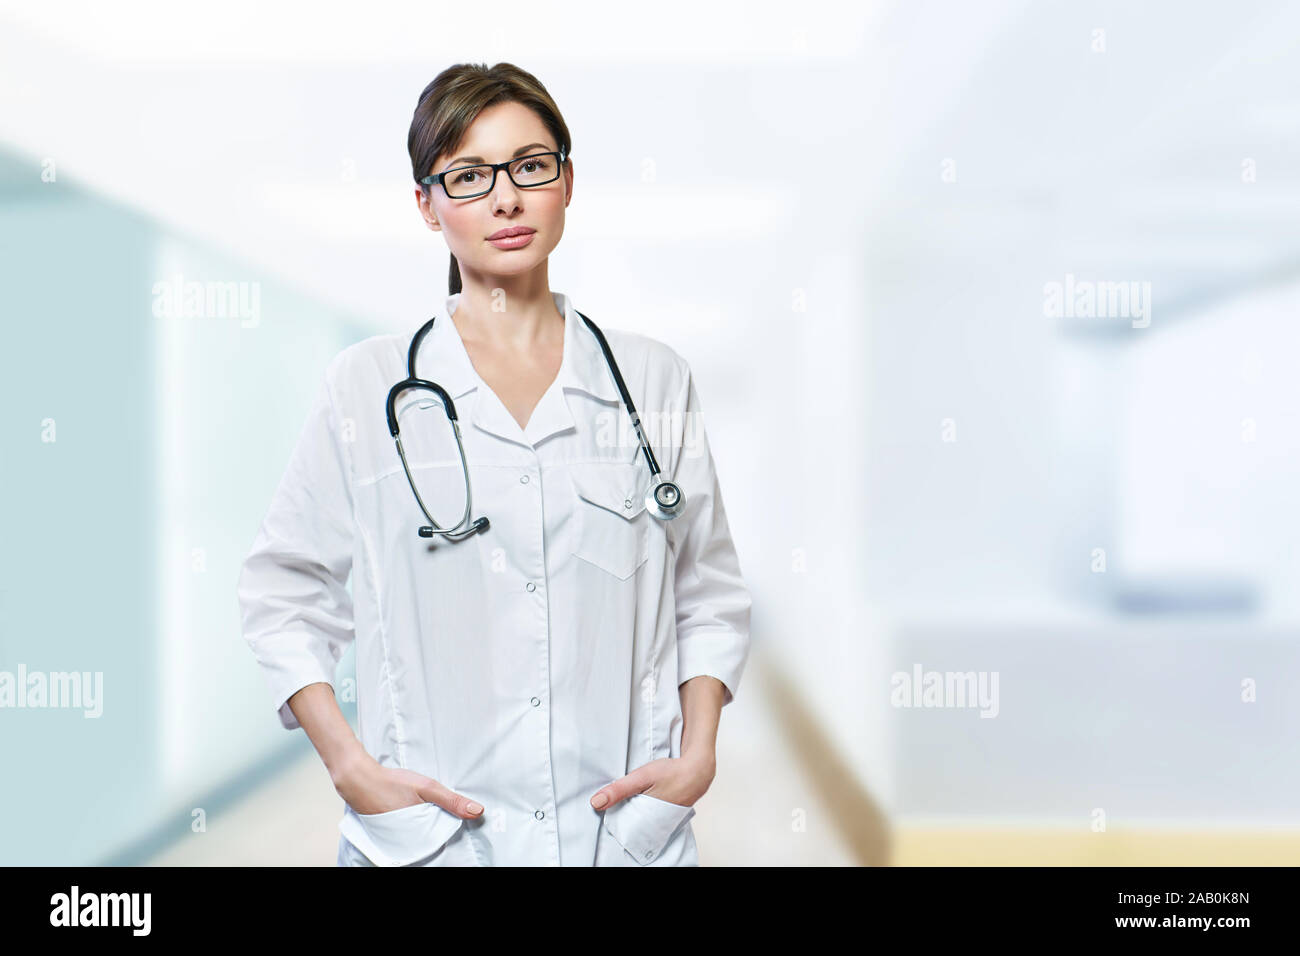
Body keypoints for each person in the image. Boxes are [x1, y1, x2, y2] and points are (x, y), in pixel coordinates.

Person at [236, 62, 751, 866]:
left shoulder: (652, 379)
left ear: (567, 182)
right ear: (426, 204)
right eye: (469, 176)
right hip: (429, 843)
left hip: (617, 836)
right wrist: (348, 765)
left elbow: (708, 592)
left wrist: (698, 757)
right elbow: (283, 592)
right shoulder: (369, 389)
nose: (506, 198)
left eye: (530, 166)